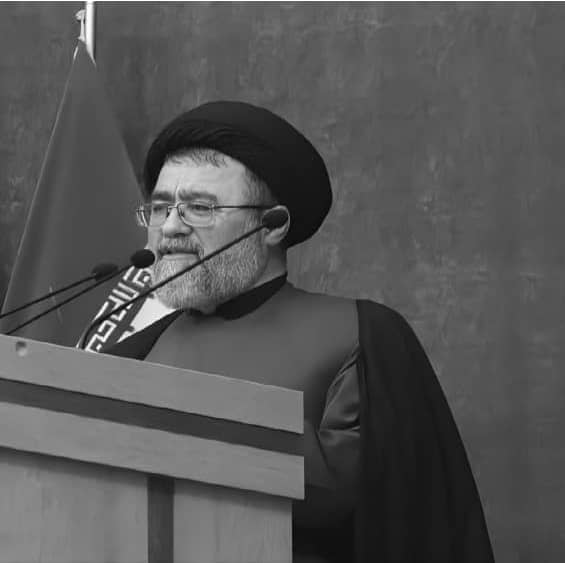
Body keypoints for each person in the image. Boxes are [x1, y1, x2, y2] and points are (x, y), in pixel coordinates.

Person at [104, 101, 494, 563]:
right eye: (160, 208)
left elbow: (357, 495)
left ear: (273, 225)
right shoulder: (134, 353)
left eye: (200, 208)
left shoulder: (362, 335)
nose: (170, 227)